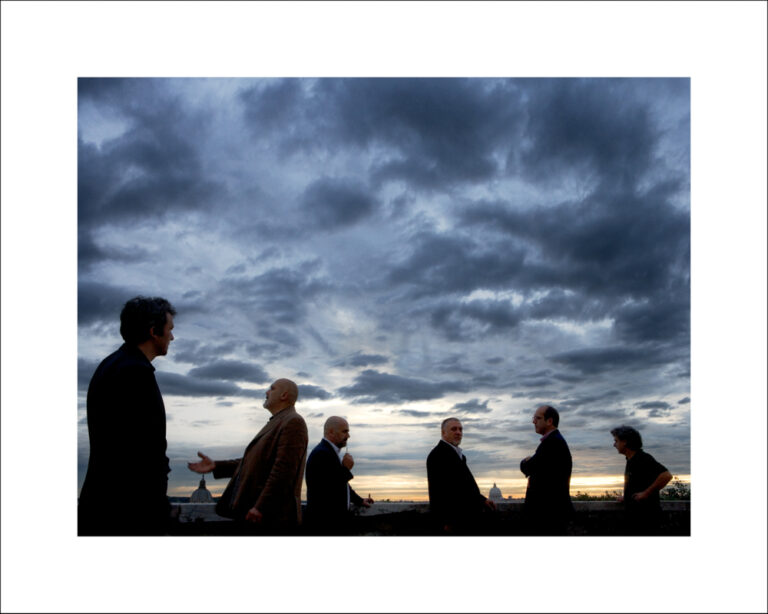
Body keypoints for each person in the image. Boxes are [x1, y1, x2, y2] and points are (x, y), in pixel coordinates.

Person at [78, 296, 176, 536]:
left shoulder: (110, 365)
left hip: (102, 504)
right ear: (154, 332)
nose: (172, 337)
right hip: (129, 512)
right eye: (169, 330)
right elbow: (146, 450)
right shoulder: (135, 372)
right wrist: (157, 507)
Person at [188, 378, 308, 534]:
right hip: (262, 518)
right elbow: (254, 463)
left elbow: (283, 472)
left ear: (284, 395)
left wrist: (260, 507)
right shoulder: (280, 421)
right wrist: (217, 466)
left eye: (272, 388)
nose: (266, 392)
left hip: (272, 520)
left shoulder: (293, 422)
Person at [304, 416, 374, 535]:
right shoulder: (322, 453)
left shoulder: (328, 451)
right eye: (344, 431)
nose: (348, 436)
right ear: (331, 432)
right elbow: (329, 487)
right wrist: (346, 469)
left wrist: (359, 500)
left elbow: (342, 485)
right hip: (325, 524)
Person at [426, 417, 496, 534]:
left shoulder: (459, 455)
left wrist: (482, 499)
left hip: (466, 518)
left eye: (460, 429)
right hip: (456, 522)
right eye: (454, 429)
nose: (458, 432)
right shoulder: (438, 455)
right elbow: (439, 491)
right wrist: (447, 521)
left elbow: (464, 486)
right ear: (443, 433)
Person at [520, 405, 574, 535]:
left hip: (548, 517)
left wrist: (525, 461)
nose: (534, 421)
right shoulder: (554, 441)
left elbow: (529, 467)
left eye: (537, 418)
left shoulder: (552, 443)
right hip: (551, 515)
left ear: (549, 421)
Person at [611, 425, 673, 535]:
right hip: (636, 517)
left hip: (647, 518)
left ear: (625, 442)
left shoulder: (642, 458)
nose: (614, 444)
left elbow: (666, 475)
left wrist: (646, 493)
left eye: (616, 441)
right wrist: (626, 497)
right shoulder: (631, 460)